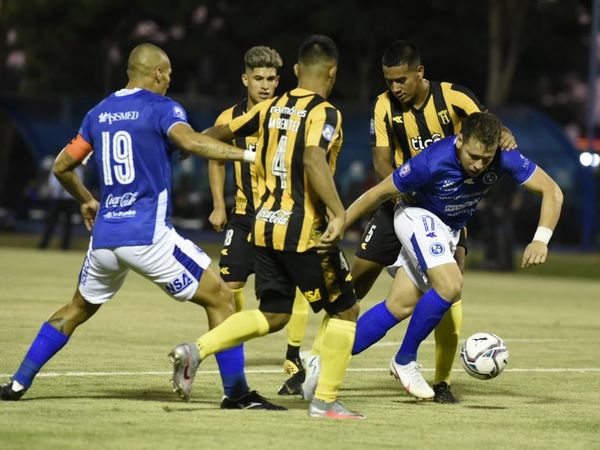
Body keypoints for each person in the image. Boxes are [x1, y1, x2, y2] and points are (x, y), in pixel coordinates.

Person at [0, 43, 283, 410]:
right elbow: (190, 141)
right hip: (148, 236)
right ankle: (238, 393)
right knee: (221, 298)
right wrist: (248, 154)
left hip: (104, 239)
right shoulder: (163, 108)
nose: (169, 81)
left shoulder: (98, 113)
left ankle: (18, 383)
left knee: (76, 309)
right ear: (158, 73)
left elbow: (61, 166)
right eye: (168, 75)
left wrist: (86, 199)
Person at [170, 35, 364, 420]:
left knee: (275, 315)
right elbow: (313, 158)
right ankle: (325, 400)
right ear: (333, 73)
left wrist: (176, 145)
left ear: (293, 72)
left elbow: (212, 137)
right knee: (346, 312)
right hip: (304, 231)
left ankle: (196, 350)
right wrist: (339, 213)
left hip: (263, 227)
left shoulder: (273, 106)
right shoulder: (325, 113)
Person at [342, 112, 563, 399]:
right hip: (416, 215)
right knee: (450, 285)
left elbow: (552, 191)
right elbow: (376, 194)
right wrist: (340, 224)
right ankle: (404, 359)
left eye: (486, 158)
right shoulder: (431, 161)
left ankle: (324, 359)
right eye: (473, 156)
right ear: (459, 140)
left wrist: (540, 240)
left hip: (448, 229)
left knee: (401, 304)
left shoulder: (502, 157)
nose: (479, 165)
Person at [348, 40, 517, 403]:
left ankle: (441, 383)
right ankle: (314, 357)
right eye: (389, 81)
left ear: (419, 73)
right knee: (354, 288)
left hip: (450, 210)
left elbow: (487, 128)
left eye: (401, 80)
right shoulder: (383, 106)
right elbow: (381, 163)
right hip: (399, 200)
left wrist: (504, 134)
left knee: (449, 292)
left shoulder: (455, 98)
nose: (395, 88)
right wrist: (400, 192)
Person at [206, 46, 309, 395]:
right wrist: (219, 204)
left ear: (278, 81)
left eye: (270, 79)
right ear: (245, 79)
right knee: (228, 287)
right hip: (244, 216)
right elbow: (214, 157)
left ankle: (293, 354)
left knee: (295, 286)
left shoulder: (287, 115)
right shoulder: (228, 118)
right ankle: (234, 342)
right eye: (258, 79)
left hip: (280, 214)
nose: (264, 85)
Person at [38, 163, 83, 250]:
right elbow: (52, 182)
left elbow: (79, 184)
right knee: (50, 222)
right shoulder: (57, 166)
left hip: (69, 198)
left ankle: (65, 246)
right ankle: (44, 243)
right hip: (56, 198)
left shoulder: (77, 170)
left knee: (68, 224)